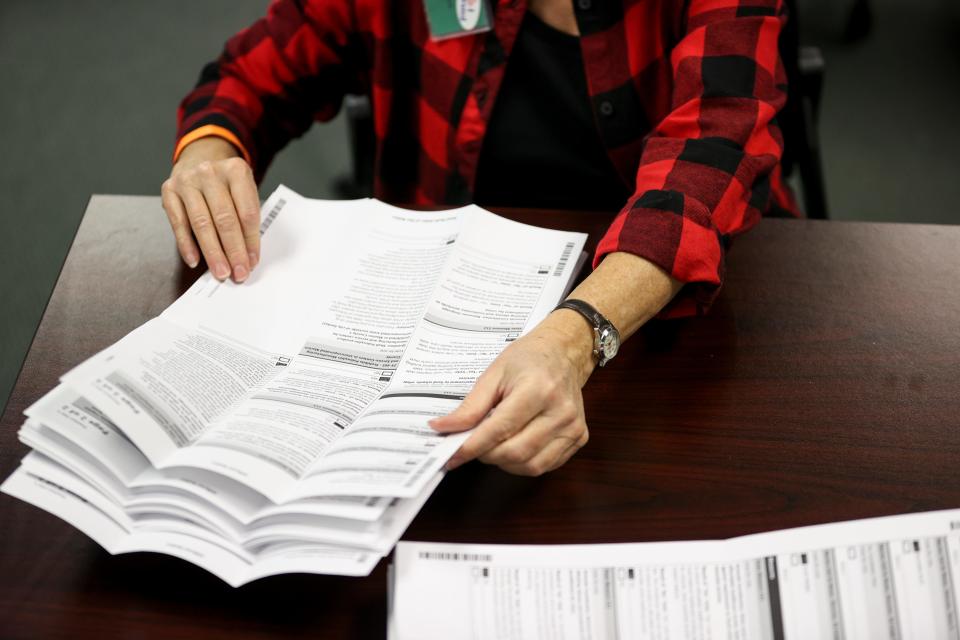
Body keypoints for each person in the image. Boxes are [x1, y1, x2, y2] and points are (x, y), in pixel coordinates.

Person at [162, 0, 797, 477]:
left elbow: (713, 149)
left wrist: (572, 341)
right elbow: (250, 72)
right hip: (447, 315)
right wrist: (207, 156)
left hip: (666, 328)